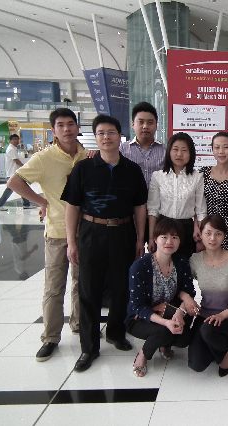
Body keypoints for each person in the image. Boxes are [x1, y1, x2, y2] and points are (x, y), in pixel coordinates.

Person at [62, 114, 148, 372]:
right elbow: (72, 206)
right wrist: (71, 242)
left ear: (119, 136)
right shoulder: (83, 168)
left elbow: (140, 207)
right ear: (95, 137)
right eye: (100, 133)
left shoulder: (132, 170)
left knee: (122, 287)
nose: (106, 137)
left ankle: (116, 332)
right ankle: (89, 348)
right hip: (91, 233)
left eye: (111, 132)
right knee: (89, 289)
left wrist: (140, 239)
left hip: (123, 232)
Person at [7, 108, 88, 362]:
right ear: (53, 130)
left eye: (70, 124)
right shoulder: (44, 158)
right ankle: (51, 337)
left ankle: (78, 324)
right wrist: (42, 201)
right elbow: (15, 182)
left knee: (82, 284)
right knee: (54, 287)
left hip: (85, 232)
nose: (66, 129)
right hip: (57, 232)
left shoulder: (87, 156)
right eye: (61, 125)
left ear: (77, 127)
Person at [126, 217, 199, 377]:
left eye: (174, 237)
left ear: (180, 241)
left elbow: (189, 291)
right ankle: (143, 355)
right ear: (155, 239)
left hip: (169, 311)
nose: (169, 241)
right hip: (141, 317)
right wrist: (166, 322)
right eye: (164, 237)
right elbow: (137, 306)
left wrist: (180, 312)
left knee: (184, 338)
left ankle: (164, 345)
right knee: (164, 331)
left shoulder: (181, 262)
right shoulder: (140, 266)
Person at [188, 215, 228, 376]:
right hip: (204, 316)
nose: (212, 238)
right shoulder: (195, 260)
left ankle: (227, 351)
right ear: (200, 234)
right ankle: (215, 346)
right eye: (208, 233)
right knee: (196, 364)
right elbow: (183, 286)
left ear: (224, 236)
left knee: (208, 331)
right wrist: (187, 298)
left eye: (218, 233)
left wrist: (222, 315)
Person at [148, 132, 207, 259]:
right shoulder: (158, 176)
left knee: (184, 266)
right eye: (175, 149)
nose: (179, 154)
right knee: (162, 266)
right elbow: (153, 210)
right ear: (169, 151)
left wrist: (201, 235)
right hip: (162, 228)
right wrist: (151, 237)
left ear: (191, 154)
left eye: (184, 150)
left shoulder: (197, 177)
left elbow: (201, 210)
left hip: (186, 229)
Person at [120, 102, 166, 248]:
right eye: (141, 122)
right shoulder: (122, 150)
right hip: (130, 215)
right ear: (133, 124)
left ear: (156, 125)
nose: (145, 126)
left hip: (159, 214)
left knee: (158, 254)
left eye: (150, 122)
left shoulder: (166, 151)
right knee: (131, 252)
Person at [0, 134, 32, 210]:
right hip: (13, 173)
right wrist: (24, 167)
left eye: (17, 139)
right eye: (14, 139)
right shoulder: (11, 149)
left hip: (14, 173)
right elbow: (16, 161)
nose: (16, 141)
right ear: (10, 141)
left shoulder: (13, 148)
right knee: (12, 189)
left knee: (22, 188)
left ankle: (26, 204)